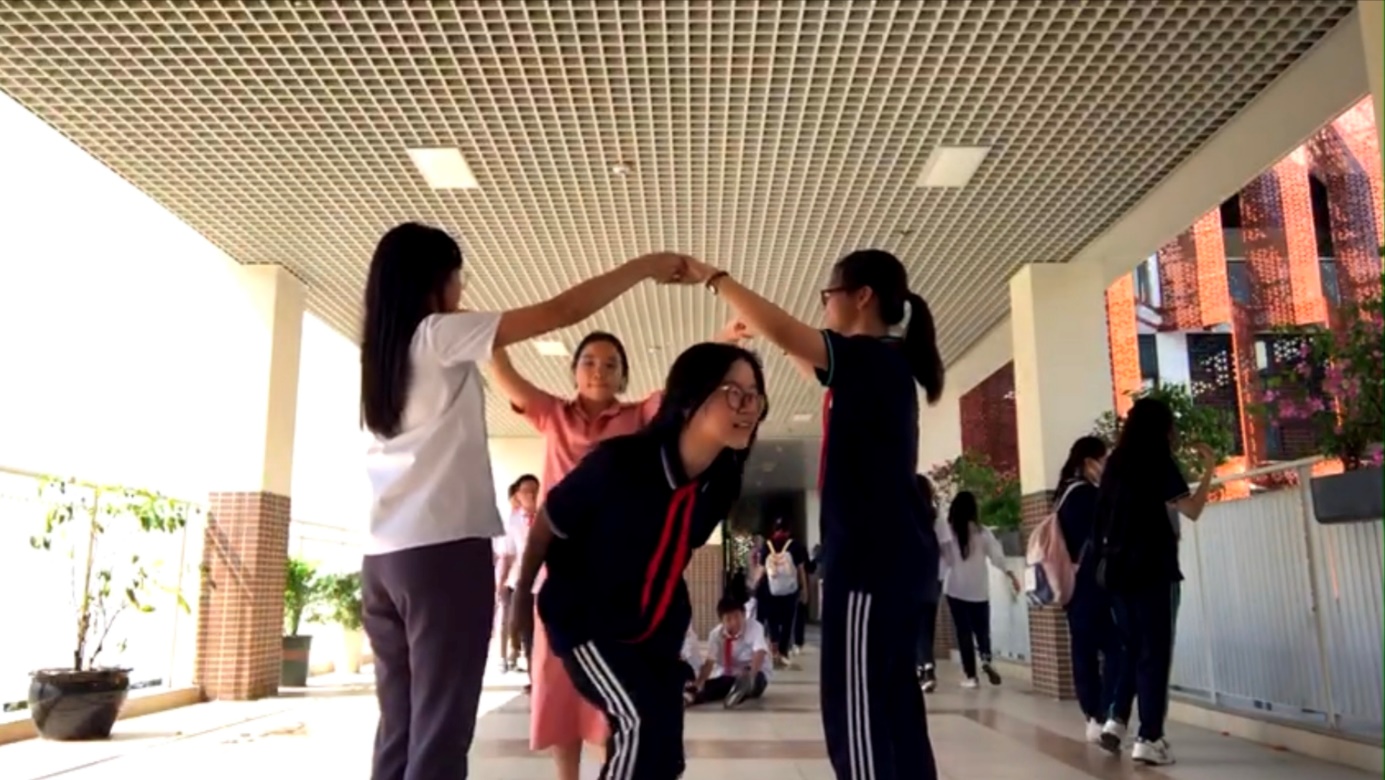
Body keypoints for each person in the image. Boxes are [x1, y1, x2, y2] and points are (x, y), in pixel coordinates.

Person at [359, 221, 689, 780]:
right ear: (433, 281)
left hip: (383, 562)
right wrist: (644, 266)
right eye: (457, 277)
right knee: (440, 732)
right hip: (441, 557)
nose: (462, 289)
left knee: (400, 729)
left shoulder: (381, 357)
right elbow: (562, 311)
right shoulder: (437, 334)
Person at [678, 249, 942, 780]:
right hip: (892, 562)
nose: (825, 306)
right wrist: (757, 328)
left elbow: (789, 333)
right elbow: (801, 354)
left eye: (829, 295)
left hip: (869, 564)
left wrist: (714, 277)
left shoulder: (869, 359)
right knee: (894, 705)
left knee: (856, 708)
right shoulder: (880, 366)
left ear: (862, 297)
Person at [489, 324, 741, 780]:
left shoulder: (638, 417)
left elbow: (687, 391)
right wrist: (490, 334)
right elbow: (509, 380)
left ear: (624, 376)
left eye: (611, 364)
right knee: (558, 693)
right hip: (563, 580)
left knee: (625, 707)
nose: (599, 371)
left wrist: (724, 347)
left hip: (617, 582)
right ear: (573, 370)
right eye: (588, 362)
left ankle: (619, 764)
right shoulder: (553, 414)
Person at [1094, 398, 1216, 766]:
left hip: (1117, 572)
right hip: (1153, 570)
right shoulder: (1158, 460)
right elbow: (1191, 510)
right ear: (1162, 428)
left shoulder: (1114, 464)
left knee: (1132, 647)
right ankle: (1149, 737)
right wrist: (1209, 470)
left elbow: (1101, 520)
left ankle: (1116, 720)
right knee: (1155, 654)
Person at [1052, 436, 1121, 744]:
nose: (1106, 467)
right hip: (1093, 584)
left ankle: (1092, 715)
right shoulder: (1087, 495)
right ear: (1090, 462)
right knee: (1117, 648)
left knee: (1083, 650)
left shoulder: (1064, 494)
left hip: (1074, 585)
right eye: (1104, 460)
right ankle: (1103, 712)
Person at [944, 491, 1021, 689]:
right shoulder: (983, 532)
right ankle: (986, 658)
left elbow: (944, 559)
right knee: (982, 629)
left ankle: (971, 676)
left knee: (963, 633)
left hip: (955, 589)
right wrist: (1010, 574)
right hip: (979, 590)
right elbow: (997, 557)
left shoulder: (949, 533)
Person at [688, 596, 771, 708]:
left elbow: (759, 652)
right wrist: (699, 682)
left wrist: (750, 675)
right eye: (728, 619)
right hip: (728, 675)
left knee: (755, 681)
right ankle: (692, 696)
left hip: (754, 672)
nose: (734, 622)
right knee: (718, 684)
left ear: (743, 614)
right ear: (721, 621)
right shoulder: (715, 635)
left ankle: (742, 688)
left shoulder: (755, 627)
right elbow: (710, 662)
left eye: (737, 616)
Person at [915, 474, 955, 693]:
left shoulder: (905, 514)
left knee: (913, 623)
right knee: (927, 623)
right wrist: (944, 571)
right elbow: (948, 552)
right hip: (932, 577)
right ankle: (926, 667)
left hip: (908, 578)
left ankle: (923, 667)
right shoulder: (936, 518)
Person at [757, 518, 808, 668]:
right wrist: (805, 590)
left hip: (770, 591)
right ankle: (783, 652)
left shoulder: (767, 545)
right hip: (790, 591)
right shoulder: (796, 546)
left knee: (772, 620)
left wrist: (754, 584)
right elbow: (801, 570)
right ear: (789, 530)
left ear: (774, 529)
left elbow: (761, 570)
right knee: (788, 621)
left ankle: (774, 653)